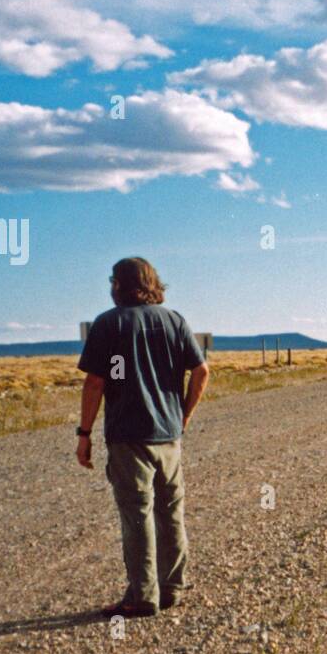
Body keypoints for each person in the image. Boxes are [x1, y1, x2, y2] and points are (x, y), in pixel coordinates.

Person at [75, 257, 209, 617]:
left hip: (128, 437)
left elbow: (95, 382)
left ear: (120, 285)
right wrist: (183, 415)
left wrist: (84, 433)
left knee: (137, 516)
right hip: (168, 436)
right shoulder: (174, 321)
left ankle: (142, 596)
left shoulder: (109, 323)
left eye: (113, 282)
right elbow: (202, 371)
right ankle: (172, 588)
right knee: (171, 512)